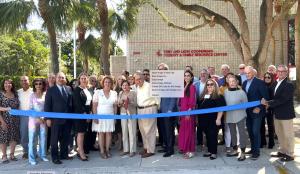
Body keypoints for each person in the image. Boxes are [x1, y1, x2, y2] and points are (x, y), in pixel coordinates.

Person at [262, 65, 295, 162]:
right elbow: (269, 92)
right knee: (280, 134)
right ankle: (283, 151)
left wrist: (268, 103)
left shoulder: (289, 84)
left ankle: (290, 154)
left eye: (282, 71)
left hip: (286, 114)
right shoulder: (276, 82)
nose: (280, 73)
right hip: (276, 114)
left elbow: (282, 99)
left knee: (288, 134)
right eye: (279, 71)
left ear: (286, 72)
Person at [44, 72, 73, 165]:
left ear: (65, 79)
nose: (61, 79)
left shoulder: (68, 89)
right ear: (56, 79)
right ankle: (55, 157)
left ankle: (64, 155)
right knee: (54, 139)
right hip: (55, 120)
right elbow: (47, 105)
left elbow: (70, 104)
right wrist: (47, 118)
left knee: (65, 138)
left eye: (63, 78)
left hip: (67, 119)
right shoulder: (51, 90)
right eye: (59, 77)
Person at [242, 66, 269, 160]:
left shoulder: (260, 82)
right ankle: (253, 149)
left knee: (255, 131)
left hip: (257, 111)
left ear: (253, 73)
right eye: (245, 73)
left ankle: (256, 152)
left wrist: (259, 107)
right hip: (247, 111)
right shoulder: (244, 83)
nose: (247, 75)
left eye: (248, 73)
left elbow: (265, 97)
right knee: (250, 131)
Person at [198, 79, 225, 160]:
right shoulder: (203, 95)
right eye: (208, 84)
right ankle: (209, 151)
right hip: (204, 120)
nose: (209, 86)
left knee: (213, 136)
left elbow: (221, 109)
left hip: (213, 120)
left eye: (211, 84)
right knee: (208, 136)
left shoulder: (219, 96)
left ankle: (214, 152)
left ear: (215, 85)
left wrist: (218, 119)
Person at [135, 72, 159, 158]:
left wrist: (155, 108)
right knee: (143, 130)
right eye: (136, 79)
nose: (138, 81)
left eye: (140, 79)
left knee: (150, 131)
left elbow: (157, 98)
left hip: (149, 108)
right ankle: (146, 148)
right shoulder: (137, 87)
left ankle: (151, 150)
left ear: (143, 78)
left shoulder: (150, 86)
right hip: (140, 110)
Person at [92, 76, 118, 159]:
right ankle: (102, 151)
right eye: (106, 82)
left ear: (111, 84)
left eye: (109, 82)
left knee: (109, 133)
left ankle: (107, 150)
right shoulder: (98, 92)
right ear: (103, 83)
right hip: (100, 116)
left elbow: (115, 106)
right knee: (101, 133)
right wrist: (95, 116)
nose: (107, 83)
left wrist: (115, 117)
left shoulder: (114, 93)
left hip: (110, 116)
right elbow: (94, 105)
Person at [224, 76, 248, 161]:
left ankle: (243, 153)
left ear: (237, 82)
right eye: (230, 81)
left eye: (233, 81)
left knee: (242, 134)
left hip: (240, 115)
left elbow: (246, 104)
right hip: (230, 116)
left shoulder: (242, 92)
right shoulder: (225, 92)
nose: (232, 83)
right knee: (232, 133)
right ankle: (235, 150)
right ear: (228, 82)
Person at [157, 63, 177, 157]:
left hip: (169, 111)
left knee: (169, 131)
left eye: (163, 70)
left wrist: (170, 109)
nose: (161, 72)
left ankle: (170, 149)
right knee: (163, 130)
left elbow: (174, 97)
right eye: (159, 70)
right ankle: (165, 147)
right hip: (160, 110)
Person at [28, 78, 48, 165]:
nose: (38, 85)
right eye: (36, 84)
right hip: (33, 120)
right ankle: (32, 158)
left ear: (43, 85)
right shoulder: (32, 95)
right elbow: (30, 108)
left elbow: (47, 108)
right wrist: (37, 118)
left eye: (40, 83)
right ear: (34, 85)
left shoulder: (45, 95)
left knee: (43, 137)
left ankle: (43, 155)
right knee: (32, 139)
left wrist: (43, 117)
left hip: (43, 120)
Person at [73, 72, 93, 161]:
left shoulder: (87, 90)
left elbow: (90, 103)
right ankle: (81, 152)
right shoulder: (77, 90)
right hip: (80, 115)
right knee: (80, 133)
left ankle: (80, 150)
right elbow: (78, 105)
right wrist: (85, 115)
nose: (84, 80)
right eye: (82, 78)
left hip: (87, 114)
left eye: (85, 78)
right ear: (79, 80)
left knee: (83, 133)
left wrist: (90, 113)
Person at [0, 79, 20, 164]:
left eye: (9, 83)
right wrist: (2, 121)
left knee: (13, 137)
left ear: (12, 85)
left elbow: (18, 107)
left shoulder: (15, 94)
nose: (7, 85)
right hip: (4, 119)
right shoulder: (0, 94)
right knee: (3, 138)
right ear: (3, 84)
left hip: (15, 120)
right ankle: (4, 156)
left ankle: (12, 154)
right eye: (6, 83)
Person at [178, 70, 196, 159]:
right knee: (184, 131)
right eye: (185, 75)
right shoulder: (183, 86)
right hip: (182, 112)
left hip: (188, 112)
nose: (186, 77)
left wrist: (189, 111)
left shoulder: (192, 87)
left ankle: (190, 151)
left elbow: (192, 100)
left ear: (191, 77)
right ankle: (185, 149)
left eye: (188, 75)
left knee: (189, 132)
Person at [118, 80, 137, 157]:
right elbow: (118, 104)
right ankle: (125, 149)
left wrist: (129, 102)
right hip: (123, 113)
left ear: (129, 86)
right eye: (123, 85)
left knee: (132, 132)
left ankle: (132, 150)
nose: (125, 87)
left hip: (132, 113)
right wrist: (121, 103)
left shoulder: (133, 93)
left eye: (126, 85)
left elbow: (136, 104)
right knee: (124, 131)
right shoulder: (120, 93)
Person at [18, 75, 33, 159]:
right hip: (22, 116)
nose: (24, 82)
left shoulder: (33, 91)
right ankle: (26, 151)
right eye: (22, 80)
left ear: (29, 81)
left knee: (33, 135)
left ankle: (33, 151)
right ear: (20, 82)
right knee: (24, 135)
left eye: (25, 80)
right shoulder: (18, 92)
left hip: (33, 116)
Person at [193, 69, 209, 148]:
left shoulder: (210, 83)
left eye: (204, 73)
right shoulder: (195, 84)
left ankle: (208, 142)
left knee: (207, 125)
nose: (203, 75)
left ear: (207, 75)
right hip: (197, 106)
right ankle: (199, 142)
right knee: (198, 125)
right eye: (201, 73)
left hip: (208, 107)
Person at [83, 75, 99, 154]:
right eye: (92, 80)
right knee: (87, 131)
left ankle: (92, 145)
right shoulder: (86, 90)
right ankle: (86, 148)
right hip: (88, 112)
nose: (93, 82)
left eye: (95, 81)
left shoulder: (97, 90)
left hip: (96, 112)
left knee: (94, 131)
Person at [261, 72, 275, 149]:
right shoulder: (262, 86)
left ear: (271, 78)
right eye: (265, 77)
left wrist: (268, 105)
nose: (266, 78)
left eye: (268, 77)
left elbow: (274, 99)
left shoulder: (273, 87)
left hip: (270, 108)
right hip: (262, 108)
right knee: (261, 126)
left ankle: (271, 143)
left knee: (270, 126)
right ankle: (263, 142)